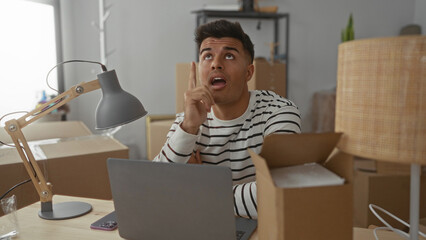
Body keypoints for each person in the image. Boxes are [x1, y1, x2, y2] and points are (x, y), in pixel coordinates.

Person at [153, 19, 301, 219]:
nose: (215, 64)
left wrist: (199, 188)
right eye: (207, 56)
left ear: (248, 72)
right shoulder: (188, 121)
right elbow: (155, 188)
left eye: (229, 55)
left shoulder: (279, 112)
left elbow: (278, 191)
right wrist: (188, 127)